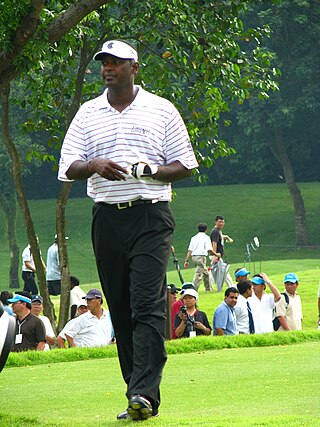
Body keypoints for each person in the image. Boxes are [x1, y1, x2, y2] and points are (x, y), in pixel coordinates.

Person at [58, 39, 198, 421]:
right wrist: (93, 165)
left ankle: (144, 394)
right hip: (106, 218)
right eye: (104, 62)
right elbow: (68, 165)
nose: (108, 68)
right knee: (119, 306)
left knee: (146, 303)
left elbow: (185, 165)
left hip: (151, 216)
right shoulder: (88, 114)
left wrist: (153, 170)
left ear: (134, 68)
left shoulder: (162, 110)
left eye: (116, 63)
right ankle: (136, 392)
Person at [184, 223, 213, 291]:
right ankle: (192, 290)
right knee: (198, 274)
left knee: (206, 273)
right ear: (206, 229)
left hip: (194, 257)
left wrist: (187, 260)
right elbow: (209, 249)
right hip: (201, 257)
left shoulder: (194, 238)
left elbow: (190, 250)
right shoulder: (206, 237)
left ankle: (208, 288)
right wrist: (216, 254)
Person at [210, 216, 233, 290]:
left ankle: (231, 286)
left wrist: (226, 237)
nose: (221, 223)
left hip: (218, 255)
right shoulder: (215, 231)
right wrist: (215, 255)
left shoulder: (218, 231)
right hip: (216, 255)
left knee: (223, 271)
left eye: (223, 222)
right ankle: (210, 287)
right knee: (218, 271)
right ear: (216, 222)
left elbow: (220, 237)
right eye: (220, 222)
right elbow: (214, 243)